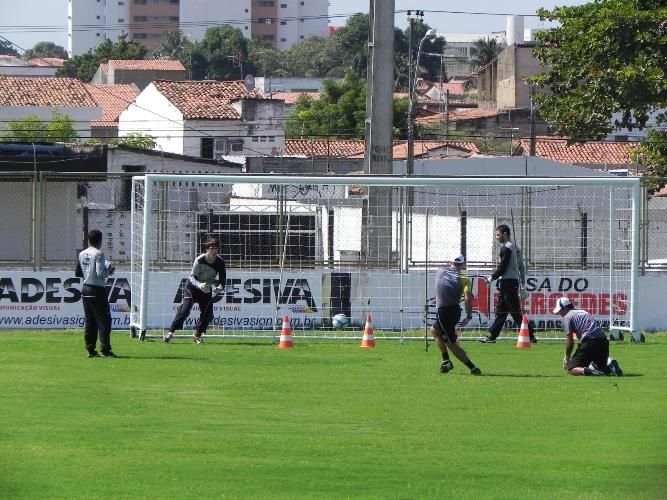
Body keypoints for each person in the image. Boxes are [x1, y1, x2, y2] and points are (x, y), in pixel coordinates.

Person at [480, 224, 537, 343]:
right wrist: (523, 284)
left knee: (515, 312)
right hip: (513, 282)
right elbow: (522, 267)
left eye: (498, 235)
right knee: (501, 310)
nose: (497, 237)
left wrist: (491, 278)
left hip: (507, 283)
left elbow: (502, 267)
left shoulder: (506, 249)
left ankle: (530, 335)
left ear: (505, 234)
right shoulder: (516, 248)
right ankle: (492, 336)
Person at [163, 238, 226, 344]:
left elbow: (223, 279)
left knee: (208, 314)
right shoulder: (199, 260)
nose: (214, 251)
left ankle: (198, 335)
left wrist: (220, 287)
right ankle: (170, 332)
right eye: (211, 248)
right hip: (192, 287)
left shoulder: (220, 262)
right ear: (207, 249)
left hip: (205, 289)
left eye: (216, 248)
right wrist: (199, 285)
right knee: (185, 310)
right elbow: (192, 277)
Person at [431, 255, 482, 375]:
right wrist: (469, 315)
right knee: (434, 330)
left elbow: (467, 297)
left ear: (450, 263)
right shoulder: (464, 279)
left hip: (445, 312)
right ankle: (446, 361)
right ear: (463, 265)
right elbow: (468, 297)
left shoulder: (440, 271)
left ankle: (473, 368)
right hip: (453, 311)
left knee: (451, 343)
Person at [553, 296, 623, 376]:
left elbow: (570, 341)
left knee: (571, 369)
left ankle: (594, 373)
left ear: (564, 308)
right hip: (603, 341)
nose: (559, 313)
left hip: (590, 341)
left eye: (560, 310)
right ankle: (610, 364)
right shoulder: (583, 312)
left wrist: (567, 357)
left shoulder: (567, 317)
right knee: (600, 369)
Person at [75, 229, 117, 358]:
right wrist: (109, 271)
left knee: (90, 322)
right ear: (100, 240)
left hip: (85, 289)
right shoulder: (99, 254)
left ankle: (91, 350)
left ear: (89, 240)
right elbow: (100, 273)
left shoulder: (82, 253)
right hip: (97, 290)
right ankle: (105, 350)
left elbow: (78, 273)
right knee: (104, 321)